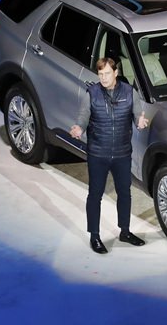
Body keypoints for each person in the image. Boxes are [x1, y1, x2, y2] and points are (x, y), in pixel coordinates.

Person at [70, 57, 150, 254]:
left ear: (115, 73)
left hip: (122, 153)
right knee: (95, 195)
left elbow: (138, 115)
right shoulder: (92, 93)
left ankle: (125, 231)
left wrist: (140, 122)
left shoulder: (130, 92)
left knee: (125, 193)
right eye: (100, 74)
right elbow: (83, 116)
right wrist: (79, 127)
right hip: (98, 154)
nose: (103, 78)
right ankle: (95, 236)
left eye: (107, 73)